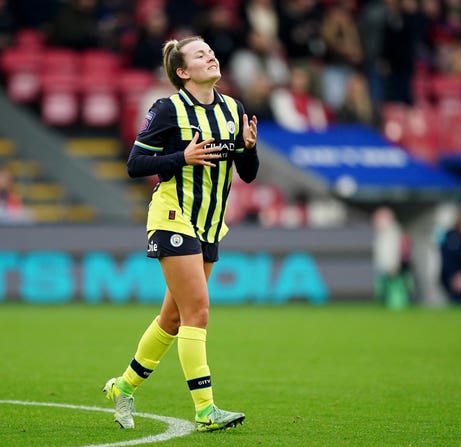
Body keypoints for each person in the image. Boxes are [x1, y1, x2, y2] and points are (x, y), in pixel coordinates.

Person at [104, 36, 259, 433]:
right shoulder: (167, 109)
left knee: (172, 319)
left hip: (209, 224)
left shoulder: (232, 109)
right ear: (183, 72)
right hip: (173, 216)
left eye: (210, 50)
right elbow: (135, 164)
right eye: (199, 54)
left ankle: (122, 388)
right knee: (199, 312)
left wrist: (248, 148)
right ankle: (205, 410)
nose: (210, 55)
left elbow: (248, 173)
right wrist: (181, 158)